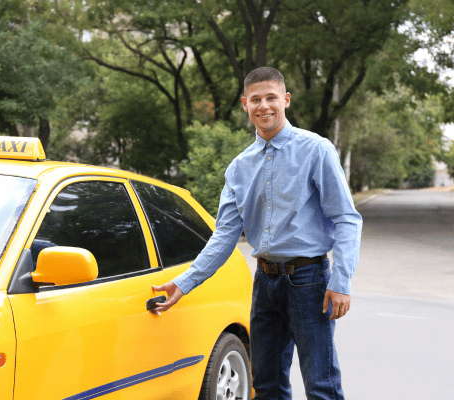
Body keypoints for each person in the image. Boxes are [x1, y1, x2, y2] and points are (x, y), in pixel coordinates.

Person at [152, 66, 362, 400]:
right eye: (255, 99)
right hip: (265, 283)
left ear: (286, 100)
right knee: (265, 384)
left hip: (309, 281)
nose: (264, 106)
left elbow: (346, 219)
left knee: (321, 386)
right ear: (245, 104)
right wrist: (184, 282)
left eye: (271, 98)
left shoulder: (315, 150)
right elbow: (224, 236)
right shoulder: (239, 167)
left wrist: (341, 280)